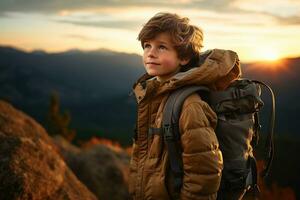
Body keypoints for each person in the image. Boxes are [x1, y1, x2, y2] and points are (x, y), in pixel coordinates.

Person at [129, 12, 241, 200]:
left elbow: (204, 174)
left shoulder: (190, 106)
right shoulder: (153, 94)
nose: (151, 53)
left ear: (184, 57)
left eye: (162, 47)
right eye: (147, 45)